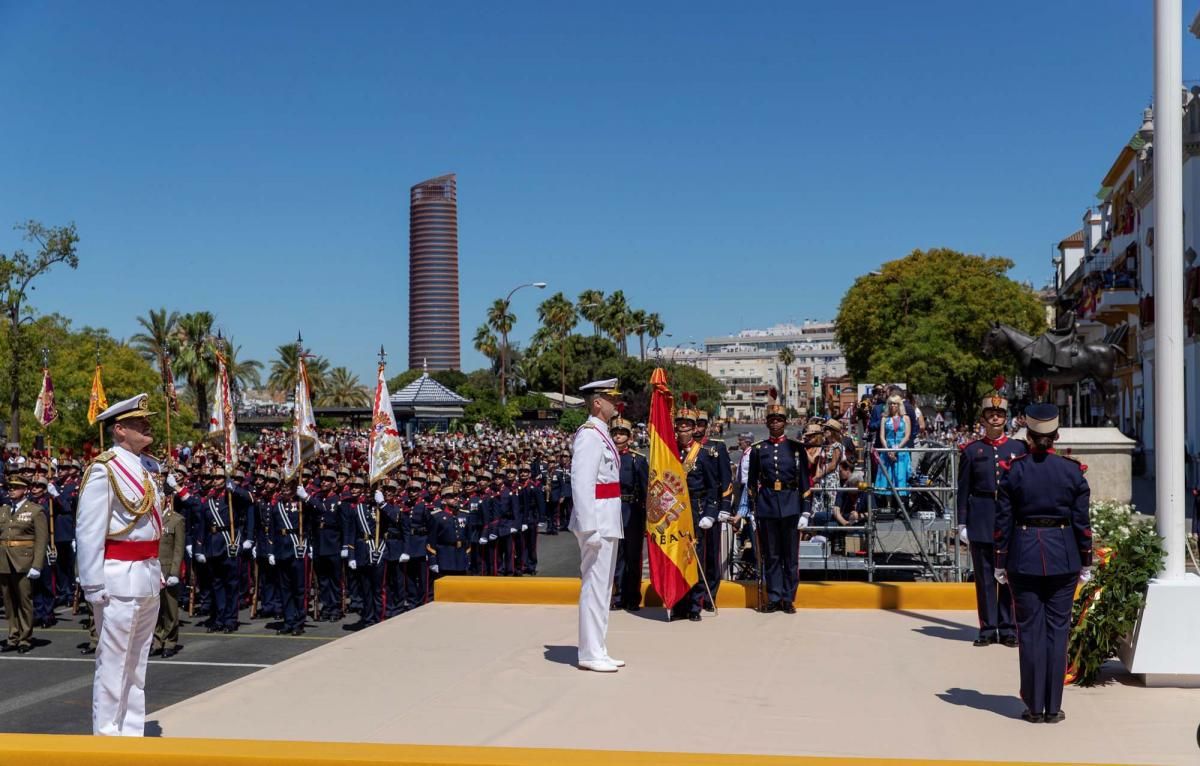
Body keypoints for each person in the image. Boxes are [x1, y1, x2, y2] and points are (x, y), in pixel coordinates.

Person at [995, 403, 1092, 724]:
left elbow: (1003, 521)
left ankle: (1034, 707)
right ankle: (1053, 707)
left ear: (1028, 435)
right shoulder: (1071, 471)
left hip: (1023, 556)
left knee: (1031, 632)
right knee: (1057, 631)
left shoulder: (1014, 470)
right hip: (1064, 556)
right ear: (1056, 435)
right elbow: (1082, 523)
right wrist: (1087, 561)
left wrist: (999, 560)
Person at [76, 393, 164, 736]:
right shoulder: (104, 469)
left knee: (136, 665)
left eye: (146, 420)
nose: (147, 425)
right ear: (119, 430)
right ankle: (108, 738)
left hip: (146, 575)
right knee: (113, 664)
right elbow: (89, 530)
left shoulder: (145, 467)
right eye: (138, 422)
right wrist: (92, 584)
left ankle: (130, 732)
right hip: (117, 577)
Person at [957, 391, 1025, 648]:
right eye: (991, 414)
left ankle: (1008, 627)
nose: (995, 418)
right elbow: (964, 489)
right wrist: (962, 523)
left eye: (1000, 414)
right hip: (981, 516)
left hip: (1009, 518)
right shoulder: (972, 451)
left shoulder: (1018, 449)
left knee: (1007, 575)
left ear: (1006, 419)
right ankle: (988, 628)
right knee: (984, 576)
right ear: (983, 419)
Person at [569, 378, 625, 672]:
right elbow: (582, 483)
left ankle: (598, 648)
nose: (616, 403)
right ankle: (589, 652)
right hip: (597, 522)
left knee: (603, 587)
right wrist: (588, 527)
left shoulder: (602, 433)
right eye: (611, 398)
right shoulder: (589, 435)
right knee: (594, 586)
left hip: (607, 517)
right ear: (597, 402)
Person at [746, 397, 808, 614]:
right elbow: (752, 482)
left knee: (790, 556)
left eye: (779, 420)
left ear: (785, 423)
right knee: (771, 555)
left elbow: (805, 482)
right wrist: (753, 510)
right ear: (767, 424)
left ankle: (788, 598)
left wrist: (806, 510)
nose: (775, 424)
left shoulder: (797, 448)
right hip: (767, 506)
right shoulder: (758, 449)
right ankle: (774, 596)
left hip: (791, 505)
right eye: (771, 420)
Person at [0, 475, 48, 654]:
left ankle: (25, 638)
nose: (10, 489)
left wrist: (37, 565)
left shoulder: (35, 510)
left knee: (24, 601)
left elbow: (42, 540)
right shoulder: (3, 510)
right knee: (9, 602)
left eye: (15, 487)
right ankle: (13, 636)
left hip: (24, 561)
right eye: (9, 487)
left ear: (25, 489)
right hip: (4, 561)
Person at [609, 412, 648, 611]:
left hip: (632, 512)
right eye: (615, 433)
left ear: (629, 437)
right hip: (611, 511)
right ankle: (617, 596)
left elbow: (645, 490)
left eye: (622, 433)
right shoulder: (605, 458)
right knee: (615, 557)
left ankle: (632, 597)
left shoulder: (637, 460)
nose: (618, 437)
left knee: (633, 557)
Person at [152, 479, 186, 658]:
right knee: (154, 609)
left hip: (167, 570)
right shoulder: (149, 519)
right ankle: (157, 640)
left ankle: (170, 641)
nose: (158, 499)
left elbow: (178, 548)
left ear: (167, 498)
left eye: (160, 496)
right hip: (152, 569)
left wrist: (174, 572)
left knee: (170, 609)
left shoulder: (176, 520)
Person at [874, 394, 911, 501]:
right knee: (887, 477)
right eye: (890, 403)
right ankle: (888, 505)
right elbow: (882, 436)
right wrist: (888, 450)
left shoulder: (906, 418)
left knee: (900, 476)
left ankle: (901, 504)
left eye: (895, 403)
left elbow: (907, 436)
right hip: (887, 452)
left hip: (901, 451)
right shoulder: (884, 418)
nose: (892, 406)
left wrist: (896, 450)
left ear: (899, 405)